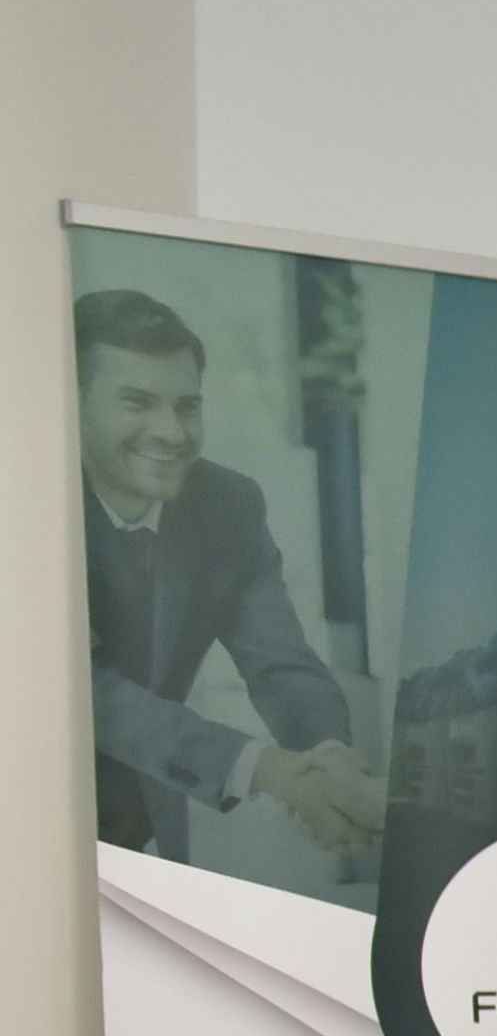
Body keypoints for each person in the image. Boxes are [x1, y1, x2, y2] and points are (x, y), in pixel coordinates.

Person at [77, 288, 384, 862]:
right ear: (72, 405)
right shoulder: (26, 499)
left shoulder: (228, 505)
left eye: (187, 406)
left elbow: (283, 664)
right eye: (137, 403)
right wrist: (264, 768)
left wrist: (329, 761)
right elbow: (84, 690)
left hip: (142, 828)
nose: (171, 431)